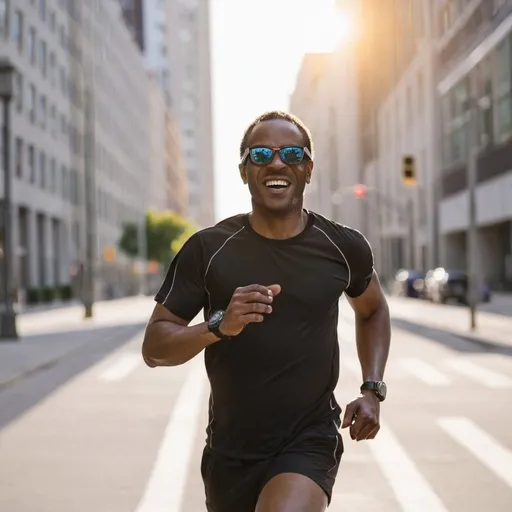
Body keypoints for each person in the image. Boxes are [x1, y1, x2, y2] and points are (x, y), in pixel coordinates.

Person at [142, 111, 391, 512]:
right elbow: (154, 348)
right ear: (244, 171)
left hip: (309, 441)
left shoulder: (343, 247)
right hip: (230, 452)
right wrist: (220, 325)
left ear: (308, 169)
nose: (276, 163)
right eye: (260, 155)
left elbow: (373, 310)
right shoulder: (208, 250)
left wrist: (372, 388)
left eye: (291, 153)